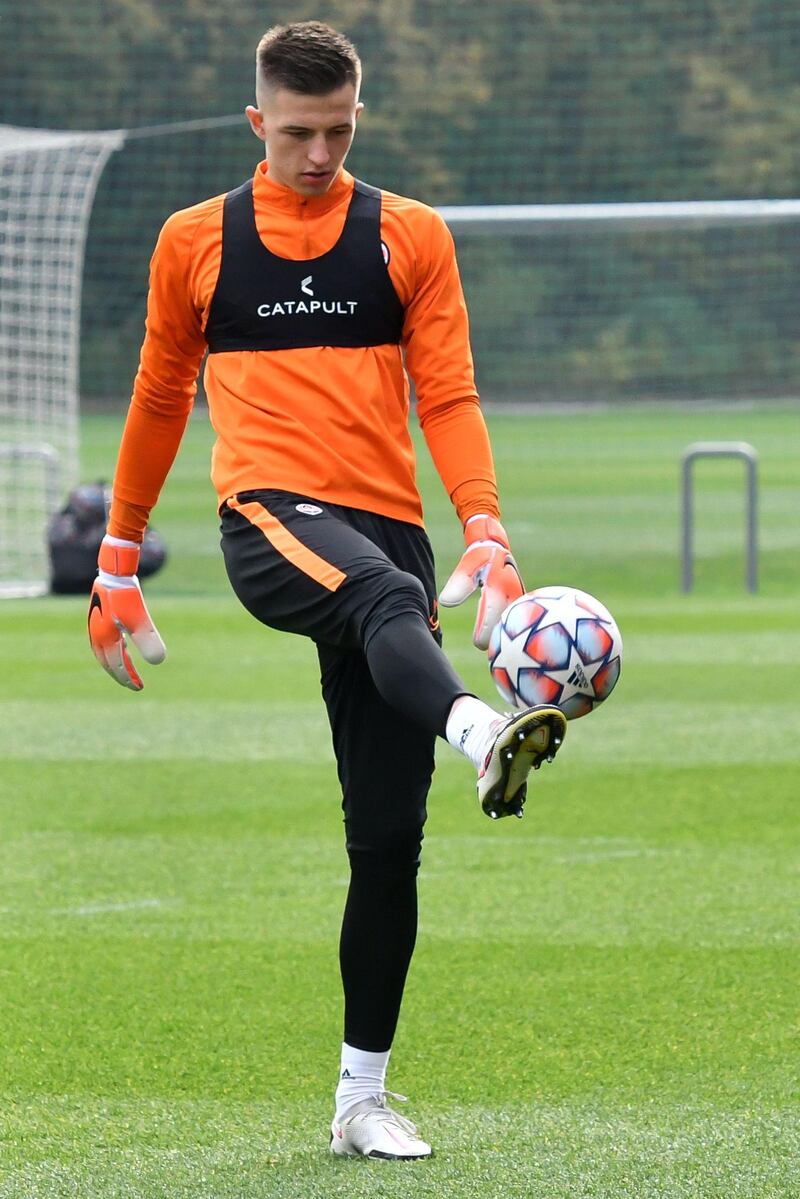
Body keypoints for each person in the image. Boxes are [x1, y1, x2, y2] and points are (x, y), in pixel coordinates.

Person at [87, 20, 567, 1161]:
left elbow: (446, 395)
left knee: (385, 843)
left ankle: (359, 1099)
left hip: (387, 537)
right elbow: (161, 397)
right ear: (257, 123)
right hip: (266, 514)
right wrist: (116, 558)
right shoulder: (193, 239)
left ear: (359, 118)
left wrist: (483, 522)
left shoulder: (409, 235)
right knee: (377, 605)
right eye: (297, 132)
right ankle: (481, 727)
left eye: (338, 131)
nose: (317, 152)